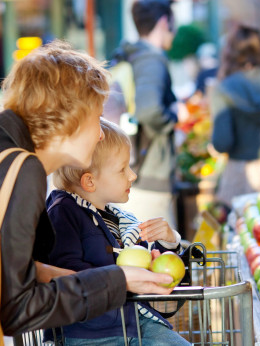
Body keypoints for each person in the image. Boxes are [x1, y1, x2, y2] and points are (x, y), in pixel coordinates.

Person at [0, 40, 175, 337]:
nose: (99, 135)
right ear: (70, 117)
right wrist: (118, 280)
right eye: (97, 118)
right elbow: (18, 308)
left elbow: (15, 272)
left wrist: (111, 278)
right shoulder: (22, 168)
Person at [46, 118, 189, 345]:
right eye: (123, 169)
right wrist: (118, 276)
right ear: (90, 182)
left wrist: (169, 242)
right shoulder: (63, 213)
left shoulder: (116, 217)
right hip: (90, 333)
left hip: (134, 322)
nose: (132, 175)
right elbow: (65, 273)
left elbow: (148, 263)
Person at [108, 0, 183, 226]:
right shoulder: (152, 60)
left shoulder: (130, 55)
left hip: (136, 170)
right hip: (150, 176)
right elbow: (150, 110)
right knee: (160, 251)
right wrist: (174, 115)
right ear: (163, 21)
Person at [210, 24, 260, 206]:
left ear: (230, 52)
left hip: (241, 174)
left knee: (243, 229)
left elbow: (222, 142)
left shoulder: (224, 88)